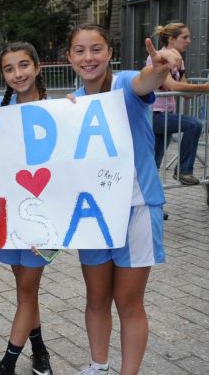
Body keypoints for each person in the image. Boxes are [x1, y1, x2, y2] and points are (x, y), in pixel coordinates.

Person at [66, 23, 180, 375]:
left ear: (109, 52)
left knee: (128, 303)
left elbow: (145, 80)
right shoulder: (72, 102)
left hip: (137, 208)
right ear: (69, 58)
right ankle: (98, 366)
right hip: (94, 214)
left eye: (96, 48)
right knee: (96, 299)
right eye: (80, 51)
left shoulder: (124, 83)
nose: (89, 57)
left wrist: (160, 67)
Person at [0, 42, 54, 375]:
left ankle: (7, 363)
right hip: (12, 217)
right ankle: (40, 350)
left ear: (38, 67)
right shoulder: (0, 113)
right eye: (10, 69)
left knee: (28, 289)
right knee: (24, 289)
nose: (18, 74)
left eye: (24, 65)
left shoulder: (60, 110)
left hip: (44, 219)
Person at [149, 22, 209, 185]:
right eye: (185, 37)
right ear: (171, 40)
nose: (189, 41)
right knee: (194, 124)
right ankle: (183, 171)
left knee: (154, 162)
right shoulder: (157, 57)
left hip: (166, 115)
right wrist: (203, 87)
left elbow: (187, 94)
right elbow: (173, 86)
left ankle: (152, 207)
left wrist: (200, 90)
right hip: (154, 114)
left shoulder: (179, 61)